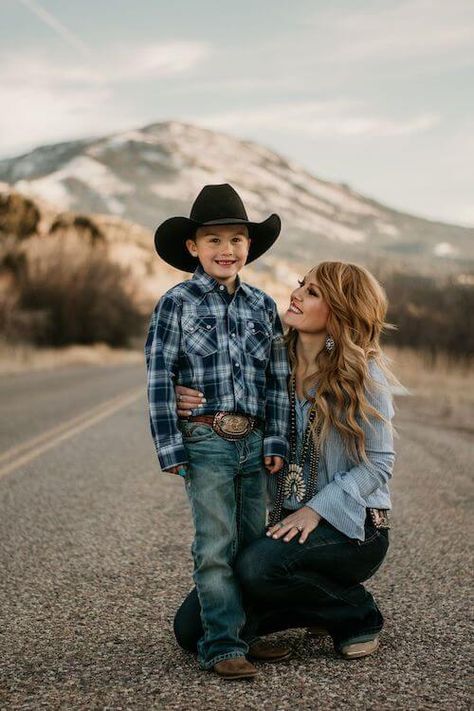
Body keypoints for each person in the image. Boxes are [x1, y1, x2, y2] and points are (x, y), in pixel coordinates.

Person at [173, 260, 396, 662]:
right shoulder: (267, 359)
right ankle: (314, 604)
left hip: (352, 529)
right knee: (192, 628)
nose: (296, 294)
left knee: (258, 567)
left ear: (342, 311)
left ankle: (356, 614)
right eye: (300, 285)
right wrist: (185, 396)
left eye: (312, 292)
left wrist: (316, 510)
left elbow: (378, 465)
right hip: (284, 529)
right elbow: (213, 385)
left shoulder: (364, 374)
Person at [144, 184, 290, 679]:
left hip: (254, 441)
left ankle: (246, 636)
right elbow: (159, 375)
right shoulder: (176, 303)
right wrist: (170, 444)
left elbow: (278, 380)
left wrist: (274, 441)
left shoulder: (263, 306)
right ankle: (221, 643)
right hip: (205, 439)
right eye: (214, 241)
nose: (226, 250)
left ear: (249, 246)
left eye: (237, 240)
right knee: (215, 543)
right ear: (193, 247)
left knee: (252, 546)